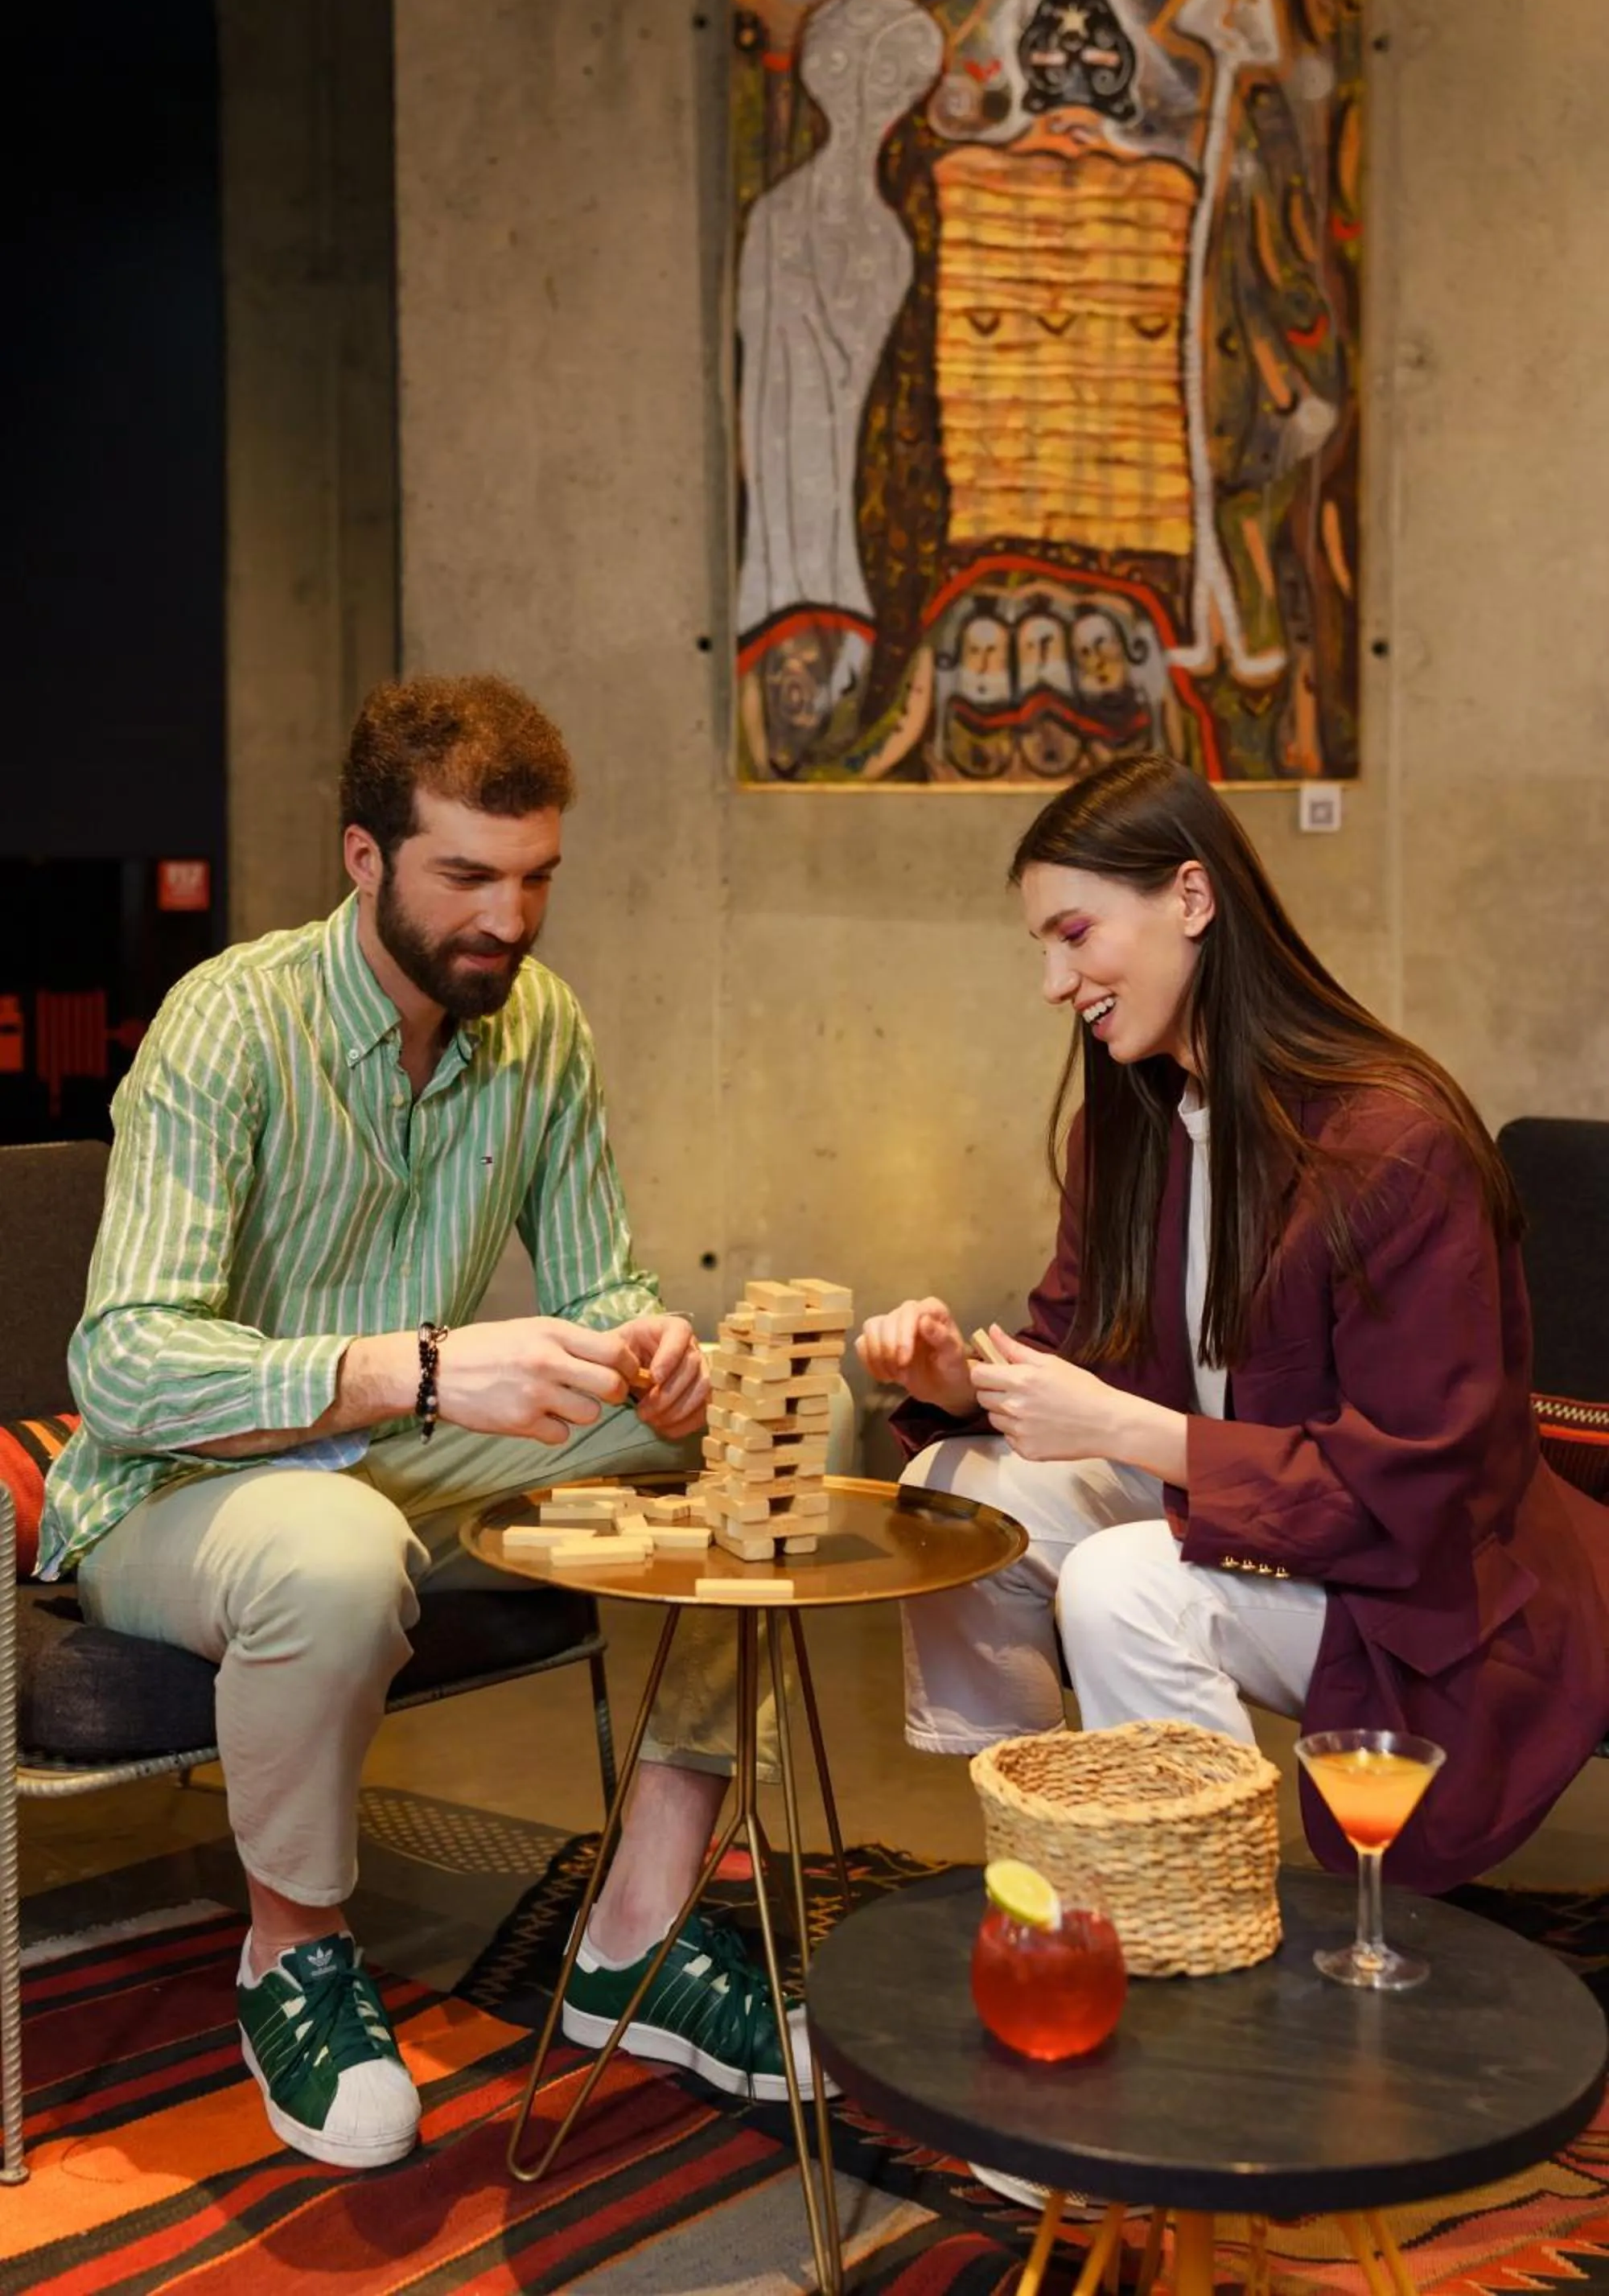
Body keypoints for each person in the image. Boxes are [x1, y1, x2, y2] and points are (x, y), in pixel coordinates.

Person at [39, 674, 821, 2171]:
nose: (509, 923)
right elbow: (128, 1365)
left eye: (534, 881)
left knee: (782, 1411)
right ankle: (293, 1955)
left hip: (417, 1464)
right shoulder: (229, 1024)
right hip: (180, 1491)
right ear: (363, 859)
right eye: (466, 876)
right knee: (330, 1545)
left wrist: (657, 1353)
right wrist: (422, 1364)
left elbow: (605, 1286)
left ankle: (637, 1936)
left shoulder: (540, 1028)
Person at [858, 752, 1609, 1893]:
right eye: (1043, 949)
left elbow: (1405, 1492)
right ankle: (1038, 1858)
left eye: (1076, 935)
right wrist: (963, 1384)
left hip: (1415, 1590)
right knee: (958, 1494)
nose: (1057, 982)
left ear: (1193, 901)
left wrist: (1122, 1428)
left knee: (1121, 1584)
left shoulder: (1393, 1146)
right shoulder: (1130, 1126)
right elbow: (1074, 1358)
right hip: (1257, 1512)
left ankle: (1201, 1914)